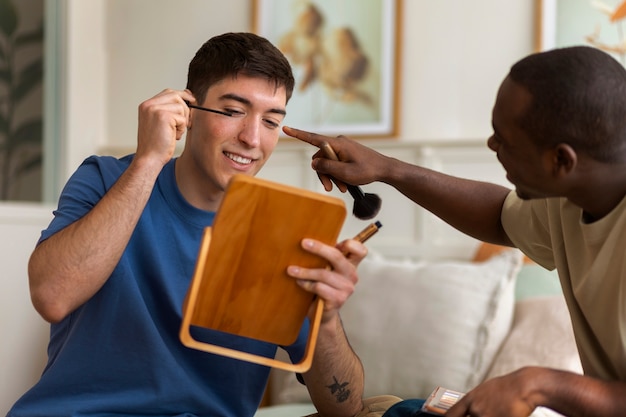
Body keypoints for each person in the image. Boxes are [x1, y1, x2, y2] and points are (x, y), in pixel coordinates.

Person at [7, 32, 381, 417]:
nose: (253, 139)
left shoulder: (280, 232)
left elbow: (345, 408)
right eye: (234, 111)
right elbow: (52, 296)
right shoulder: (103, 179)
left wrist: (327, 321)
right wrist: (149, 161)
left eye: (271, 121)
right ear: (188, 109)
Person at [282, 45, 626, 417]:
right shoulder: (568, 197)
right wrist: (389, 169)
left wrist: (537, 384)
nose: (491, 145)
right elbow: (499, 216)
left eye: (503, 140)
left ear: (561, 159)